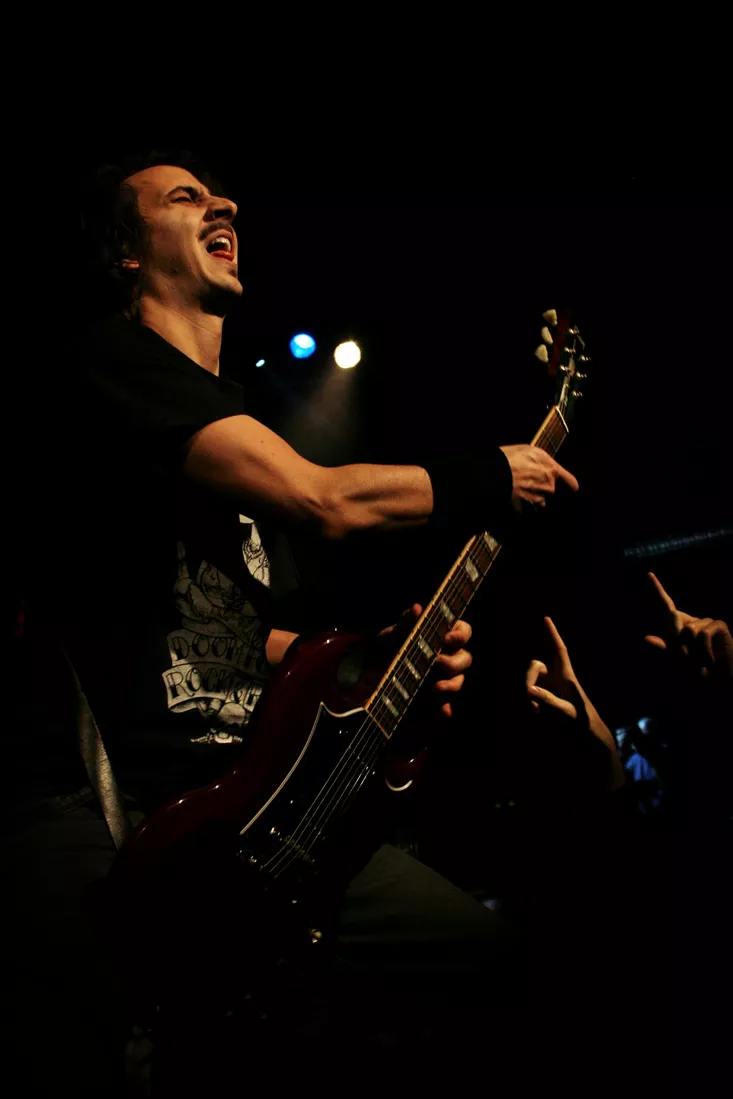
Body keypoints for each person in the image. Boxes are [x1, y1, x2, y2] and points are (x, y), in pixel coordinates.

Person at [6, 151, 581, 1093]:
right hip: (114, 810)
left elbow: (258, 642)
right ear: (124, 251)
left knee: (491, 960)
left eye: (220, 194)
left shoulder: (240, 432)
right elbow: (326, 500)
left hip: (258, 817)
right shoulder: (111, 366)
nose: (224, 203)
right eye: (185, 197)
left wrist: (380, 656)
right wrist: (488, 473)